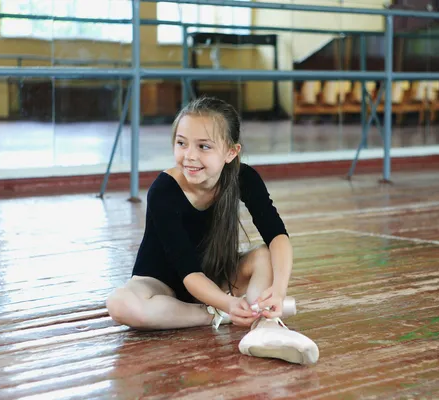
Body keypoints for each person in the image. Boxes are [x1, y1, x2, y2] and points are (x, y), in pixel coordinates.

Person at [106, 96, 319, 365]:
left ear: (231, 152)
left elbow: (277, 236)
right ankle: (229, 315)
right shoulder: (163, 191)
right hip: (162, 285)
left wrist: (279, 288)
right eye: (181, 143)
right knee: (120, 304)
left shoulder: (245, 177)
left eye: (204, 146)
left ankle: (266, 327)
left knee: (264, 254)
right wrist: (227, 305)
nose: (190, 156)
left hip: (216, 277)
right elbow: (188, 273)